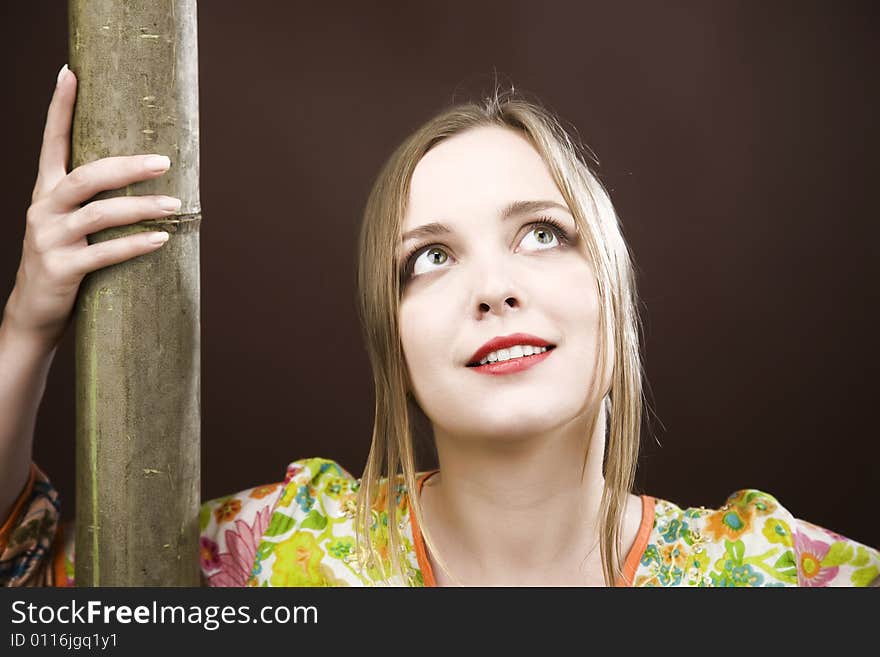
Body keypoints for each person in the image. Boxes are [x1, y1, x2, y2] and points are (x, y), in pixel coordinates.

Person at [1, 65, 878, 588]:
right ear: (394, 342)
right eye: (430, 257)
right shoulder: (275, 553)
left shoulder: (776, 575)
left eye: (543, 233)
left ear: (613, 292)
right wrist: (29, 322)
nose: (492, 288)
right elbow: (25, 583)